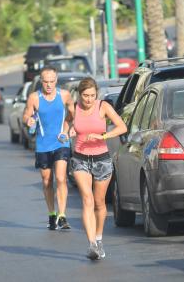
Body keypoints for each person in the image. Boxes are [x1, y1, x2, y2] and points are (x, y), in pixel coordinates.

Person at [70, 77, 127, 260]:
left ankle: (99, 237)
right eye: (85, 96)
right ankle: (92, 244)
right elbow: (68, 123)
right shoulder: (73, 107)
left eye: (92, 95)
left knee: (99, 202)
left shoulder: (103, 106)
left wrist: (103, 136)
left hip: (102, 159)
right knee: (87, 199)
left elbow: (122, 127)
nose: (89, 99)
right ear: (80, 94)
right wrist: (68, 130)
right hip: (80, 159)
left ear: (97, 94)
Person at [23, 66, 74, 231]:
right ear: (41, 81)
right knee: (46, 182)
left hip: (61, 142)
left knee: (60, 178)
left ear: (56, 80)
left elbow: (73, 114)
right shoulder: (34, 97)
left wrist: (68, 129)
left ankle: (62, 215)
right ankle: (52, 214)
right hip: (43, 145)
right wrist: (28, 120)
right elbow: (26, 114)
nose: (49, 85)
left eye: (52, 81)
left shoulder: (65, 95)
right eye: (46, 82)